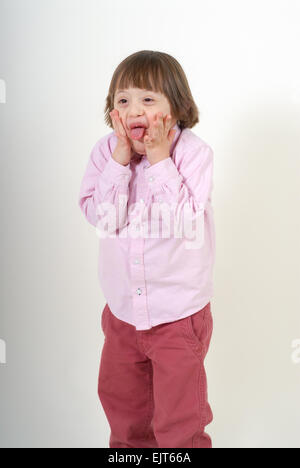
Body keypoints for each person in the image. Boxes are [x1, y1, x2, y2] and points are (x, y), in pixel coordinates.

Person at [78, 50, 216, 448]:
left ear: (177, 108)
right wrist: (121, 160)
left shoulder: (193, 154)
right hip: (123, 313)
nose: (134, 109)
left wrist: (157, 157)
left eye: (148, 99)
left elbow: (182, 222)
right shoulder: (107, 153)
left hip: (178, 315)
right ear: (112, 112)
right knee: (125, 412)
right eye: (123, 101)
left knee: (179, 420)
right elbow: (102, 217)